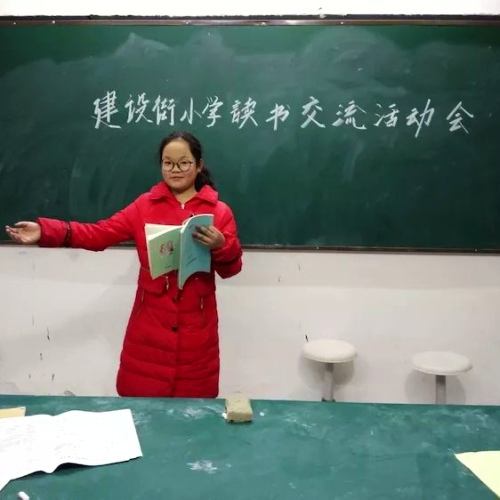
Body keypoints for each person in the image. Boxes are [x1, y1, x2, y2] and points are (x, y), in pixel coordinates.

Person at [5, 131, 243, 398]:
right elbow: (99, 234)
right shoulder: (144, 206)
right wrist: (45, 231)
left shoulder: (218, 212)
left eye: (184, 163)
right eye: (168, 163)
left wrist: (221, 245)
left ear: (198, 165)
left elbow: (231, 270)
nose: (175, 170)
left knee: (192, 416)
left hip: (196, 338)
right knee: (142, 412)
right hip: (149, 333)